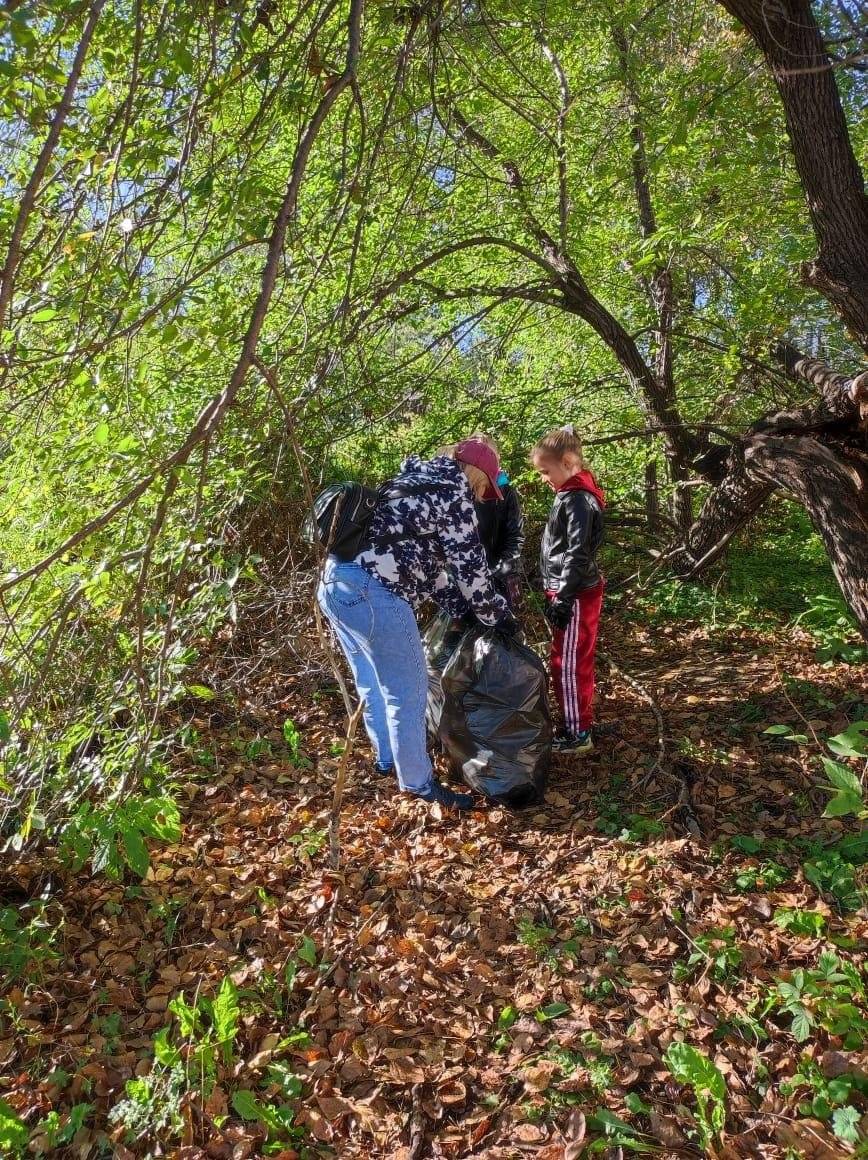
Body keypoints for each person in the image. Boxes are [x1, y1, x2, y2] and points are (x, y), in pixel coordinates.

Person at [317, 439, 519, 810]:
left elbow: (428, 569)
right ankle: (418, 786)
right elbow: (470, 571)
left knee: (371, 682)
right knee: (405, 692)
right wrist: (497, 615)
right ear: (475, 472)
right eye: (482, 484)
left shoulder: (411, 480)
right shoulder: (453, 494)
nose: (480, 492)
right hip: (375, 594)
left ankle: (387, 762)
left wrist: (460, 608)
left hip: (334, 583)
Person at [531, 426, 605, 754]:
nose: (544, 478)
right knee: (566, 658)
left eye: (546, 471)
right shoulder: (569, 494)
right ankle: (576, 723)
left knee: (569, 663)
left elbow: (578, 551)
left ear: (569, 461)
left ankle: (578, 733)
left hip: (575, 593)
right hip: (567, 589)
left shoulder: (578, 497)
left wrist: (563, 594)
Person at [471, 433, 525, 609]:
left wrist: (506, 565)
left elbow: (515, 533)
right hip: (469, 572)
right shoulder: (464, 491)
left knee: (501, 623)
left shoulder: (506, 492)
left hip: (499, 572)